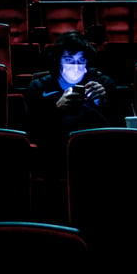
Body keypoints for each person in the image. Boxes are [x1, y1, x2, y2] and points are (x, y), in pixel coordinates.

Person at [24, 30, 117, 180]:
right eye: (69, 59)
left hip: (98, 152)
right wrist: (55, 109)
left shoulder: (103, 84)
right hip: (54, 155)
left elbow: (117, 125)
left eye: (81, 61)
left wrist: (101, 102)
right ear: (58, 62)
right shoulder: (39, 87)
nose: (75, 66)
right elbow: (33, 130)